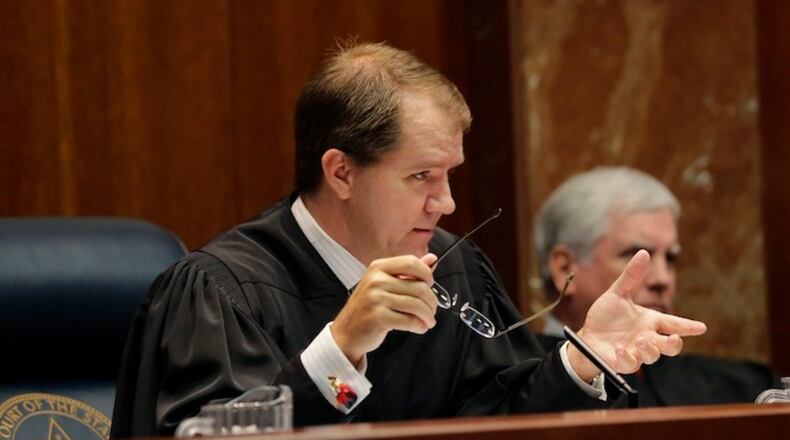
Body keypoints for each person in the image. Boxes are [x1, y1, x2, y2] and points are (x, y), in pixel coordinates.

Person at [110, 43, 706, 438]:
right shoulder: (223, 290)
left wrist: (579, 360)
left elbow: (500, 419)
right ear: (340, 172)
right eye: (422, 176)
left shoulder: (453, 266)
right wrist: (339, 349)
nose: (445, 202)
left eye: (450, 175)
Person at [534, 166, 780, 407]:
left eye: (670, 259)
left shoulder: (740, 388)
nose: (662, 279)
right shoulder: (515, 386)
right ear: (566, 269)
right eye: (634, 255)